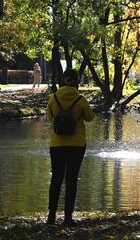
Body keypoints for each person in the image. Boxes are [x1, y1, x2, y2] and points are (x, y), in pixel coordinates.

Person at [46, 68, 95, 226]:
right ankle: (67, 218)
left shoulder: (53, 98)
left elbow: (49, 117)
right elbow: (90, 118)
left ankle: (51, 216)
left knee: (56, 179)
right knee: (71, 180)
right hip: (77, 144)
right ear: (76, 82)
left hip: (57, 144)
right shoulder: (80, 99)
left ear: (62, 80)